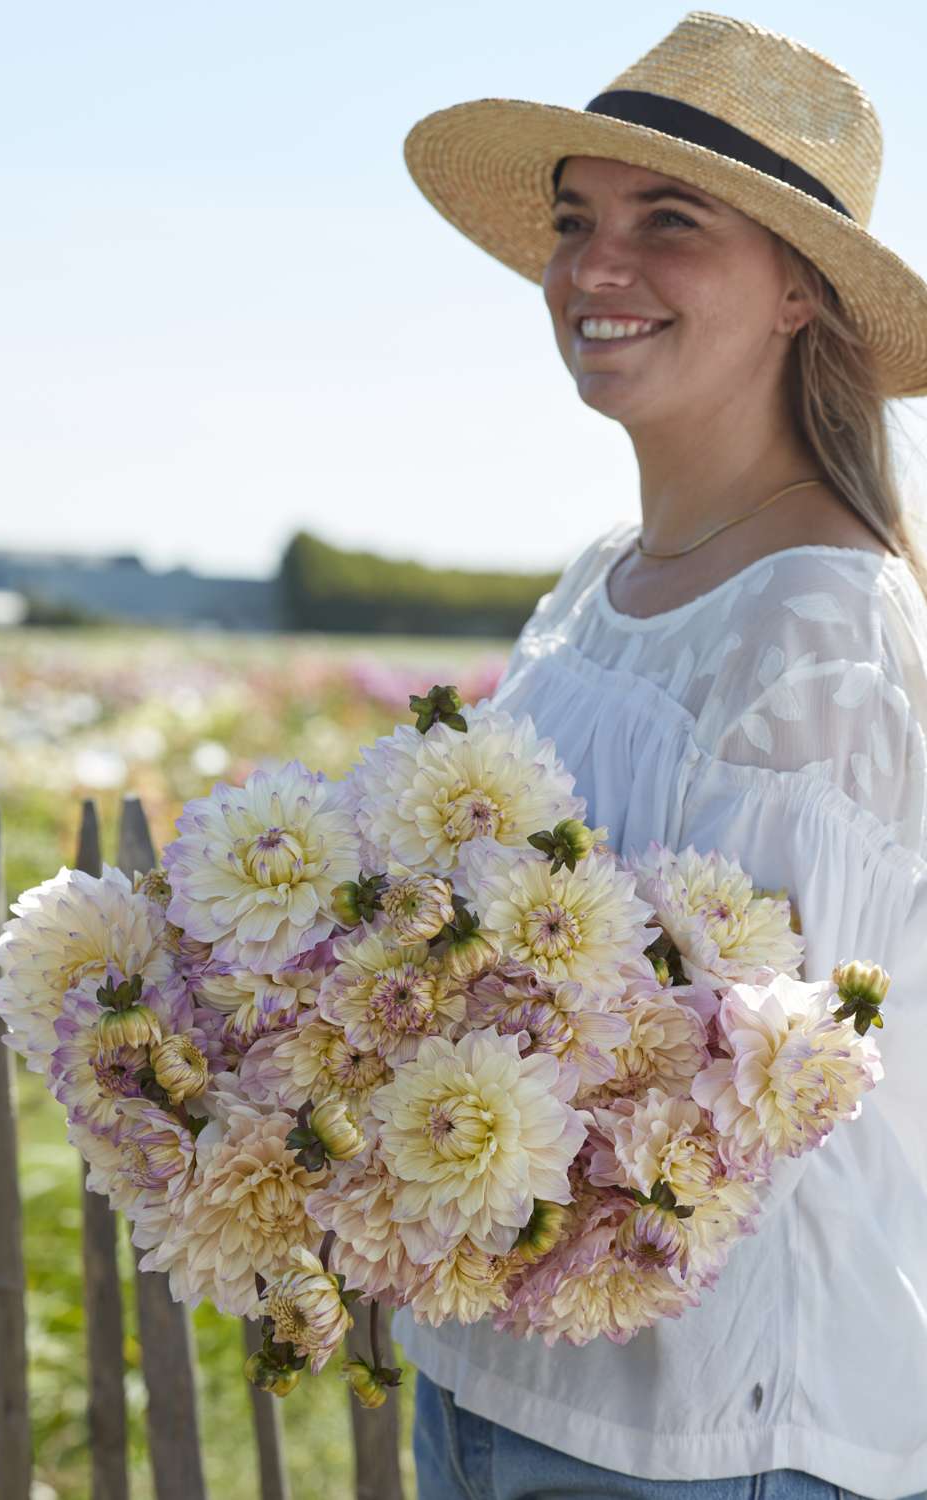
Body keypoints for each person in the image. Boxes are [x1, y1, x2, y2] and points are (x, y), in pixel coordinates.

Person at [394, 12, 927, 1500]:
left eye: (669, 222)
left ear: (800, 290)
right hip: (489, 1373)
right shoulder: (594, 585)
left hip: (699, 1429)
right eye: (576, 222)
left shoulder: (819, 625)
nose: (595, 267)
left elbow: (759, 1089)